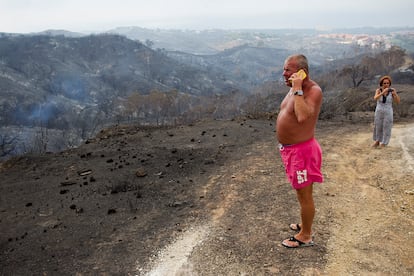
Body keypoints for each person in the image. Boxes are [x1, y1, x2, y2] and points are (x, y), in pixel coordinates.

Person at [276, 54, 324, 248]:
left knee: (305, 196)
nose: (284, 73)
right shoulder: (294, 89)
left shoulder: (312, 90)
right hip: (291, 151)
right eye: (284, 69)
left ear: (302, 72)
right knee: (300, 193)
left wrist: (297, 88)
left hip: (302, 153)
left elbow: (303, 116)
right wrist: (295, 87)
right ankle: (305, 225)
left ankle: (306, 236)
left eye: (288, 70)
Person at [372, 75, 400, 147]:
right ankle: (377, 141)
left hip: (388, 111)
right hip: (379, 111)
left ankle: (384, 143)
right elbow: (375, 98)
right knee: (378, 126)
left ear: (389, 84)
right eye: (384, 83)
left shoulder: (392, 91)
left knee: (387, 126)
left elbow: (398, 101)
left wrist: (395, 94)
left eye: (387, 83)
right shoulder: (378, 90)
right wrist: (382, 93)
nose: (386, 85)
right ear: (381, 84)